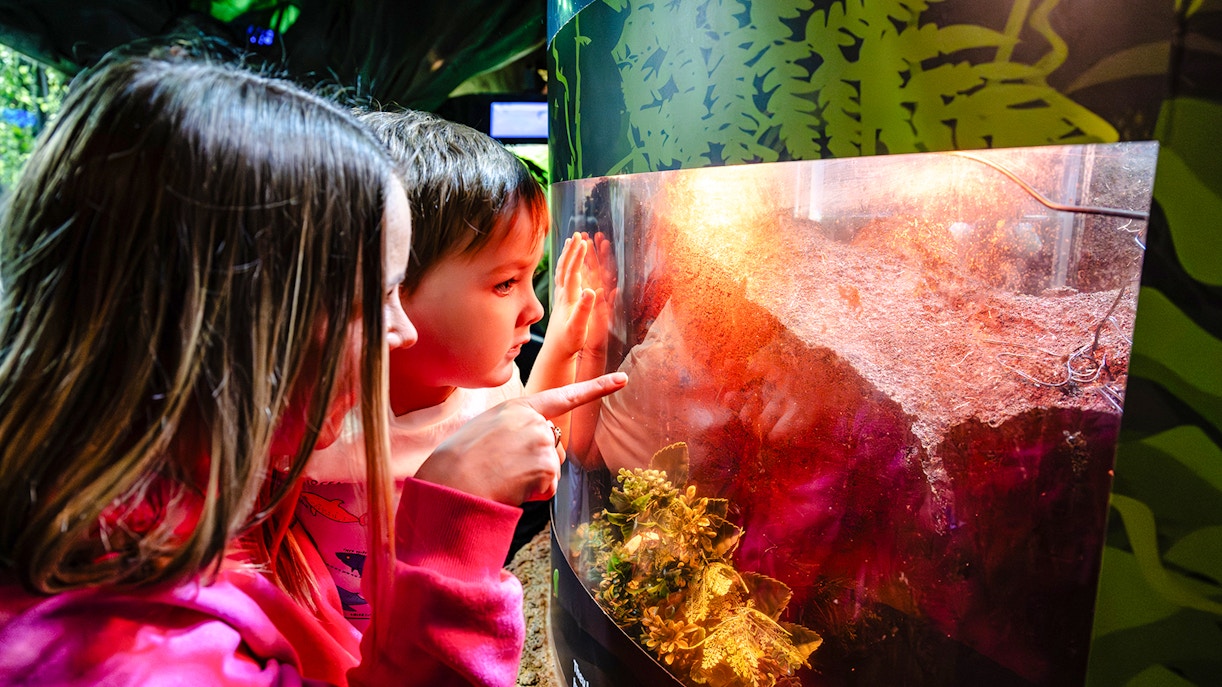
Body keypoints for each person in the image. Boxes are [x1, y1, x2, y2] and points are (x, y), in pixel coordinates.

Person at [0, 54, 625, 686]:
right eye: (380, 294)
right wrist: (448, 544)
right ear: (244, 319)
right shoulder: (143, 658)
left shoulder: (180, 524)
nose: (401, 334)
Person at [296, 109, 606, 630]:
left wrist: (567, 344)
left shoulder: (484, 385)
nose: (534, 308)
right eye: (505, 283)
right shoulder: (312, 416)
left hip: (438, 634)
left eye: (531, 279)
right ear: (386, 285)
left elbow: (536, 441)